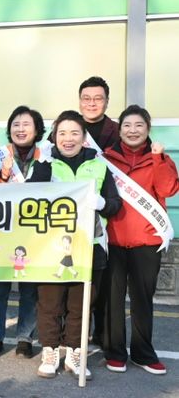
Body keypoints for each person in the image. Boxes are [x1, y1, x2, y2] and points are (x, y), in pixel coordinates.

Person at [30, 110, 121, 380]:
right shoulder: (46, 164)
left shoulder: (99, 166)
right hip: (51, 247)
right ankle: (49, 351)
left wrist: (101, 203)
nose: (68, 139)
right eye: (62, 133)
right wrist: (42, 165)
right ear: (54, 137)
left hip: (90, 246)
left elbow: (115, 204)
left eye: (74, 133)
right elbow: (29, 197)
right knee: (50, 303)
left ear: (84, 138)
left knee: (81, 305)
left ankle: (74, 353)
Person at [102, 105, 179, 375]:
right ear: (119, 129)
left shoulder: (159, 159)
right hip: (113, 241)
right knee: (112, 300)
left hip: (147, 242)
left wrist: (158, 159)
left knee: (142, 301)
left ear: (148, 129)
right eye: (127, 125)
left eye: (139, 125)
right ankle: (115, 352)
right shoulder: (106, 159)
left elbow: (168, 188)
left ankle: (143, 353)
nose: (132, 130)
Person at [0, 106, 48, 359]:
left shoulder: (46, 156)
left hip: (32, 231)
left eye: (26, 125)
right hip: (3, 230)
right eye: (16, 125)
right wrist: (3, 174)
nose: (20, 129)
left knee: (29, 287)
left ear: (37, 129)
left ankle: (25, 338)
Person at [78, 76, 120, 349]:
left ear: (106, 101)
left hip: (112, 216)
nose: (92, 103)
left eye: (98, 98)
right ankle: (76, 335)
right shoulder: (70, 128)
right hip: (77, 222)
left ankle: (103, 334)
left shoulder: (119, 131)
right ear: (79, 101)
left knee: (105, 284)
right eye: (87, 98)